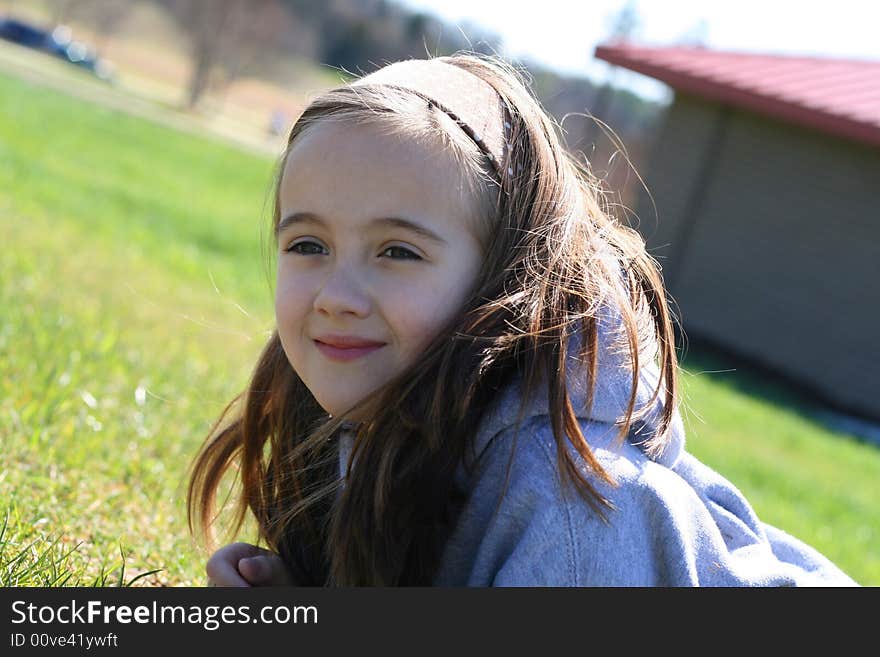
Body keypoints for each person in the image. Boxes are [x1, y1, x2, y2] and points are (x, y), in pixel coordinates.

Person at [187, 53, 858, 587]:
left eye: (398, 251)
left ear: (502, 277)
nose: (337, 292)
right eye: (308, 244)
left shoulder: (571, 501)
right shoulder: (365, 415)